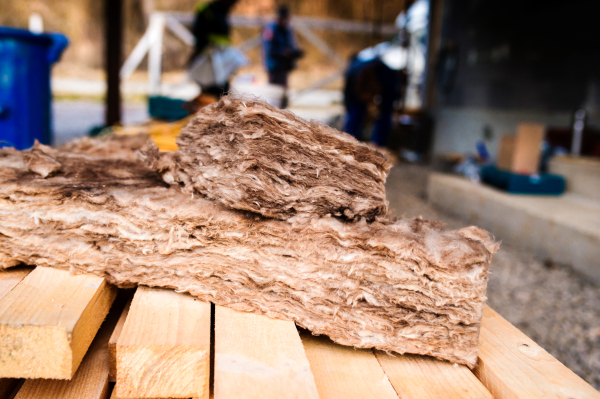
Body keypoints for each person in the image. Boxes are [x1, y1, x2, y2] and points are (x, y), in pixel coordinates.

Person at [343, 54, 399, 147]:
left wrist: (348, 108)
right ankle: (377, 143)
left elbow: (348, 98)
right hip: (387, 77)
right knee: (384, 113)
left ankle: (350, 142)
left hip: (384, 78)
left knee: (355, 113)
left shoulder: (352, 70)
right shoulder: (357, 68)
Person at [189, 0, 239, 97]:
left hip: (223, 57)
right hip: (208, 57)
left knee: (222, 88)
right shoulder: (207, 10)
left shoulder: (223, 11)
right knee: (209, 88)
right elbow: (199, 36)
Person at [262, 5, 303, 108]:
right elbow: (268, 49)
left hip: (284, 66)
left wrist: (294, 52)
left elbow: (291, 45)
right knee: (274, 93)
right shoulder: (272, 29)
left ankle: (281, 113)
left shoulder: (287, 30)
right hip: (274, 66)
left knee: (283, 93)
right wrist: (283, 53)